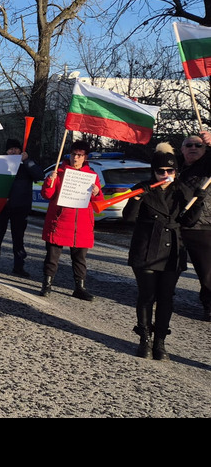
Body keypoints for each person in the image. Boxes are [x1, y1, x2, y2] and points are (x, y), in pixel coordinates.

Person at [123, 143, 205, 360]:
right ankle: (145, 339)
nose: (166, 174)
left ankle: (160, 341)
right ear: (154, 172)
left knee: (166, 297)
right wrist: (137, 197)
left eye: (170, 171)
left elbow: (188, 221)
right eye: (161, 171)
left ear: (176, 171)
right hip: (146, 249)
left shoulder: (182, 191)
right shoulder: (142, 187)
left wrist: (198, 203)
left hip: (171, 250)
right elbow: (128, 218)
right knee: (147, 295)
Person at [40, 140, 105, 300]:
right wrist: (50, 180)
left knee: (80, 259)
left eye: (80, 155)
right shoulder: (59, 171)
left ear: (85, 157)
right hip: (59, 222)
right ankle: (47, 285)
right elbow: (47, 195)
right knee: (52, 257)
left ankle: (80, 287)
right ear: (69, 154)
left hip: (82, 225)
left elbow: (98, 203)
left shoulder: (92, 176)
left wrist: (96, 192)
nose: (76, 158)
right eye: (74, 154)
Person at [0, 138, 44, 277]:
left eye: (16, 149)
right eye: (10, 149)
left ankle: (19, 266)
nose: (13, 151)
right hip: (1, 207)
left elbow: (40, 176)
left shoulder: (27, 165)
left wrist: (27, 161)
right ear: (6, 151)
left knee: (18, 238)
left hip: (20, 208)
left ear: (21, 150)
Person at [177, 130, 211, 321]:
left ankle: (209, 305)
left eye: (198, 145)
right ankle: (161, 296)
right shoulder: (177, 167)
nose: (193, 148)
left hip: (202, 226)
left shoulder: (207, 165)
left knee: (207, 271)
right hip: (177, 224)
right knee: (166, 264)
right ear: (182, 149)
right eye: (189, 145)